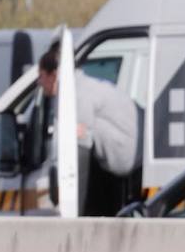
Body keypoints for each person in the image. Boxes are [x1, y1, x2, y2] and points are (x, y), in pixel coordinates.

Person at [36, 42, 143, 213]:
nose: (39, 82)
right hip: (128, 159)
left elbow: (80, 154)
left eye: (41, 76)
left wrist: (76, 210)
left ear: (54, 75)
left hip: (126, 161)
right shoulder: (80, 87)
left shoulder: (77, 94)